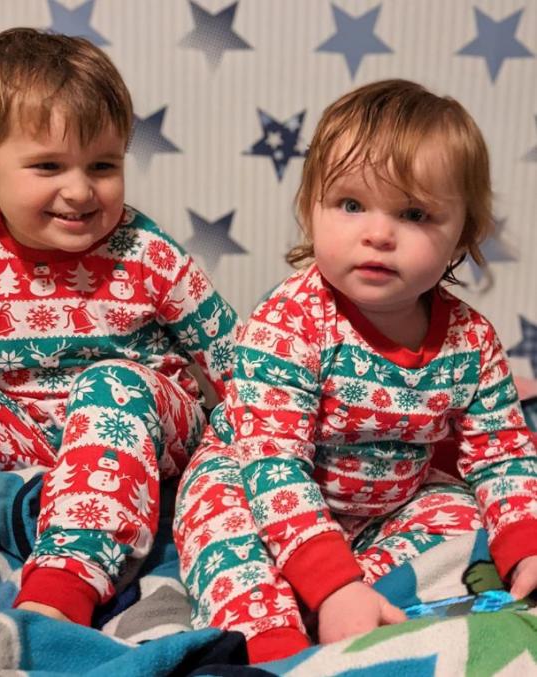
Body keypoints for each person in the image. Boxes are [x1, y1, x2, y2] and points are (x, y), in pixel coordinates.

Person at [173, 79, 537, 664]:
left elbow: (502, 452)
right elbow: (273, 463)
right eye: (350, 204)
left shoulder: (471, 339)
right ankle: (281, 646)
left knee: (467, 519)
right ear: (310, 210)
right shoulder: (289, 322)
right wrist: (332, 578)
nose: (377, 233)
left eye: (414, 213)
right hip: (263, 482)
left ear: (460, 237)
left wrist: (525, 545)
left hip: (387, 505)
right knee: (221, 522)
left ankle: (359, 604)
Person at [0, 27, 237, 627]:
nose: (80, 190)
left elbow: (236, 362)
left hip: (144, 426)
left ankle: (64, 587)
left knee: (111, 382)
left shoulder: (146, 252)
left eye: (103, 165)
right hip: (30, 436)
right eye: (47, 165)